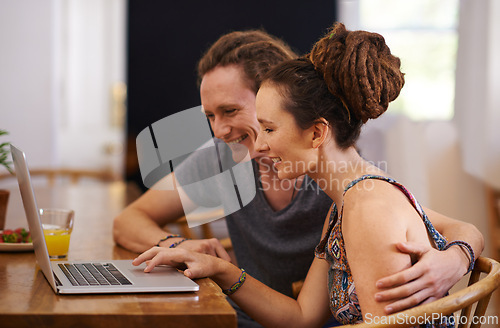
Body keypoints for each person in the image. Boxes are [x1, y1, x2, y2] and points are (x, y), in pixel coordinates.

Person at [116, 27, 483, 327]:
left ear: (316, 133)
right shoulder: (341, 204)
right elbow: (302, 317)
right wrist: (221, 269)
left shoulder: (365, 202)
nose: (256, 145)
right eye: (210, 116)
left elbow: (456, 229)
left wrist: (456, 258)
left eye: (268, 127)